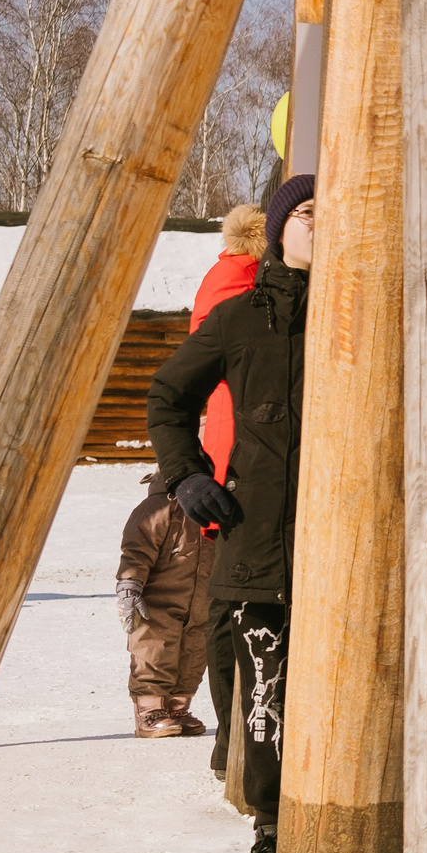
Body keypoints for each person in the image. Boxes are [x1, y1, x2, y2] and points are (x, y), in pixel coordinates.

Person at [145, 172, 316, 853]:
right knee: (265, 699)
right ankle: (272, 836)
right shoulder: (241, 317)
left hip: (356, 551)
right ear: (278, 228)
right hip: (260, 546)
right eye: (307, 213)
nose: (321, 224)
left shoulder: (378, 317)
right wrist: (186, 475)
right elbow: (168, 394)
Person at [187, 202, 262, 771]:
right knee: (234, 599)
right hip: (244, 452)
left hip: (226, 449)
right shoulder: (247, 281)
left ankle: (229, 741)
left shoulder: (224, 273)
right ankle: (234, 740)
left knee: (228, 596)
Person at [116, 474, 213, 739]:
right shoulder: (158, 506)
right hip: (158, 600)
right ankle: (149, 710)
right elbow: (136, 550)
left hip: (202, 599)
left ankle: (178, 708)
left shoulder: (211, 504)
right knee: (154, 650)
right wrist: (130, 583)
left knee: (194, 653)